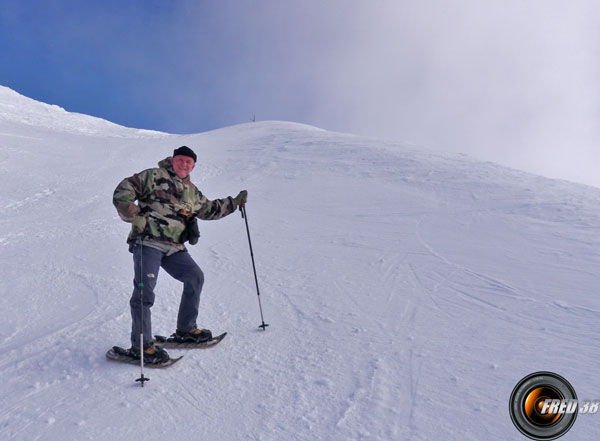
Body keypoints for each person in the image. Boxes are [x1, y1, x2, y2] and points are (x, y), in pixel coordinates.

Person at [113, 146, 247, 364]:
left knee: (195, 277)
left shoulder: (191, 191)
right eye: (181, 160)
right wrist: (134, 216)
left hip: (175, 247)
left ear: (193, 166)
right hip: (148, 242)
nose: (184, 164)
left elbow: (209, 209)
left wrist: (235, 203)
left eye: (189, 162)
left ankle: (186, 329)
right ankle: (141, 346)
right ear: (173, 160)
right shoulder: (154, 176)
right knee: (143, 292)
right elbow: (123, 190)